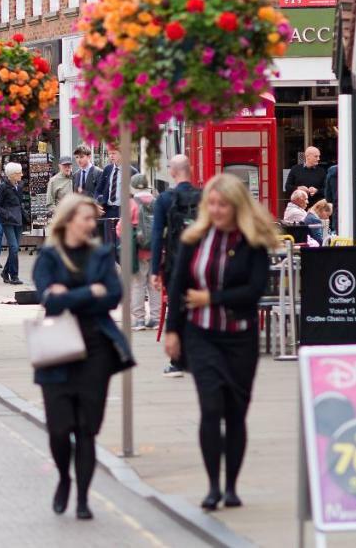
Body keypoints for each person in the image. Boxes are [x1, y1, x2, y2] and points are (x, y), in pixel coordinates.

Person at [164, 173, 274, 510]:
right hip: (202, 336)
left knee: (236, 412)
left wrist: (211, 298)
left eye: (222, 204)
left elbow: (254, 291)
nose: (215, 209)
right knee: (211, 408)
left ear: (236, 205)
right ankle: (212, 486)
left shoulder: (252, 242)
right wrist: (172, 331)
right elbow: (179, 285)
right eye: (210, 203)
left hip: (240, 336)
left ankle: (231, 486)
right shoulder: (194, 239)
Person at [33, 193, 134, 521]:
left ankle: (83, 499)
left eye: (93, 219)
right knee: (60, 430)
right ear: (68, 220)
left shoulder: (101, 255)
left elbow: (114, 297)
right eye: (86, 218)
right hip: (57, 346)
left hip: (95, 350)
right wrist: (91, 292)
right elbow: (50, 301)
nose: (92, 224)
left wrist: (71, 296)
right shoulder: (49, 256)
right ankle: (64, 478)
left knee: (87, 429)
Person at [150, 154, 202, 378]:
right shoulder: (203, 196)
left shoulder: (164, 199)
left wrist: (154, 269)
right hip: (201, 263)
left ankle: (177, 361)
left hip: (175, 262)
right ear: (189, 170)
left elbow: (156, 236)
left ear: (172, 171)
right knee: (200, 308)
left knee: (177, 308)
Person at [118, 172, 158, 330]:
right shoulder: (156, 202)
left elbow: (120, 229)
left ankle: (140, 319)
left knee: (137, 285)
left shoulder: (131, 204)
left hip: (137, 251)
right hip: (155, 250)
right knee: (154, 285)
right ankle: (155, 319)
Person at [0, 162, 26, 285]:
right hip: (8, 220)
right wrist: (7, 214)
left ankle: (5, 271)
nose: (22, 175)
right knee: (13, 247)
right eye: (19, 173)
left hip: (18, 219)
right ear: (12, 175)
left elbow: (19, 202)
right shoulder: (3, 187)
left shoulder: (20, 185)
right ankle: (14, 275)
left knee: (15, 248)